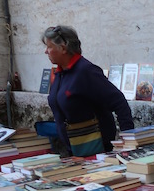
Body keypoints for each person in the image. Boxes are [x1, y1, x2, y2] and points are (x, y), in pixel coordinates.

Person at [42, 25, 134, 155]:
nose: (46, 51)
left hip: (95, 149)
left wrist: (128, 141)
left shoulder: (86, 71)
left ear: (63, 48)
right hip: (73, 150)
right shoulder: (60, 73)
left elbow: (119, 102)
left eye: (49, 47)